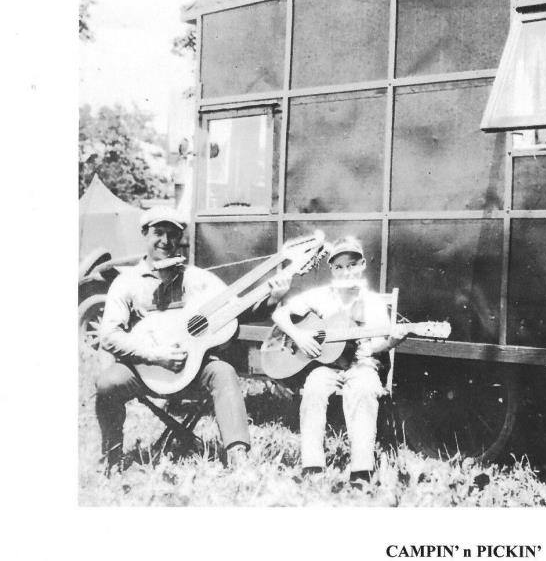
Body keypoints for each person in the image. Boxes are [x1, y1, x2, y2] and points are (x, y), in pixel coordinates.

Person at [94, 207, 292, 472]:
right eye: (158, 233)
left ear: (180, 238)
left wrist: (272, 298)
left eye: (172, 235)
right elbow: (109, 335)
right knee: (108, 384)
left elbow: (238, 312)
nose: (165, 241)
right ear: (144, 234)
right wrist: (153, 355)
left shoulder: (198, 279)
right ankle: (112, 457)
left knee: (223, 372)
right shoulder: (127, 282)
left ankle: (238, 458)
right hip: (144, 372)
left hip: (193, 369)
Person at [271, 237, 407, 485]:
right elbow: (279, 314)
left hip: (362, 364)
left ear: (363, 264)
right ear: (332, 269)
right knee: (313, 389)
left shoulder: (373, 303)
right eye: (340, 267)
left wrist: (392, 342)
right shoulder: (321, 296)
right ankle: (312, 467)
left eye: (353, 265)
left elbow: (377, 345)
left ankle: (361, 471)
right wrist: (299, 336)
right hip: (326, 366)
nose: (347, 272)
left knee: (365, 390)